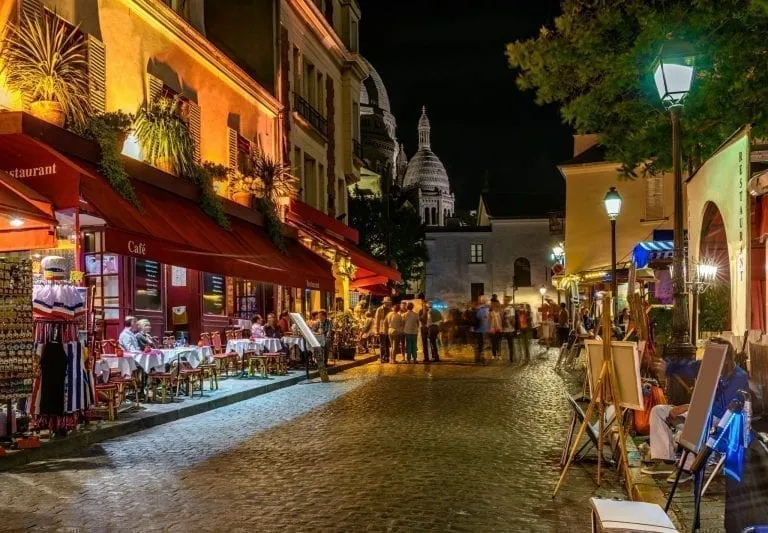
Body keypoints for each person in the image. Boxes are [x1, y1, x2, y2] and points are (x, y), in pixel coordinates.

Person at [641, 338, 749, 483]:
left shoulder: (739, 377)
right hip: (702, 412)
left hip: (724, 424)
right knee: (658, 411)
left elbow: (723, 411)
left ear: (725, 358)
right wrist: (669, 367)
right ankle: (664, 460)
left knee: (698, 418)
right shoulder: (710, 365)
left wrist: (689, 407)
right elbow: (689, 367)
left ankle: (687, 468)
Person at [374, 297, 393, 363]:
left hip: (388, 329)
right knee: (382, 344)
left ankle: (387, 357)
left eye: (389, 303)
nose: (388, 304)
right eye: (387, 303)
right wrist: (376, 330)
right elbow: (377, 320)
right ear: (384, 303)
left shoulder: (391, 309)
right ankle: (382, 357)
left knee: (387, 344)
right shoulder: (379, 309)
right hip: (382, 329)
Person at [472, 297, 490, 364]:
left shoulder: (477, 309)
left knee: (479, 345)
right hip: (483, 329)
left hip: (478, 330)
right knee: (482, 345)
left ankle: (478, 359)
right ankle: (481, 359)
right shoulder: (486, 309)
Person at [418, 293, 430, 362]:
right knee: (430, 342)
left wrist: (419, 317)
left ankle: (426, 358)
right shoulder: (428, 306)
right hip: (429, 326)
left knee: (424, 343)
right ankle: (433, 356)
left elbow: (422, 317)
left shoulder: (422, 307)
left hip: (424, 327)